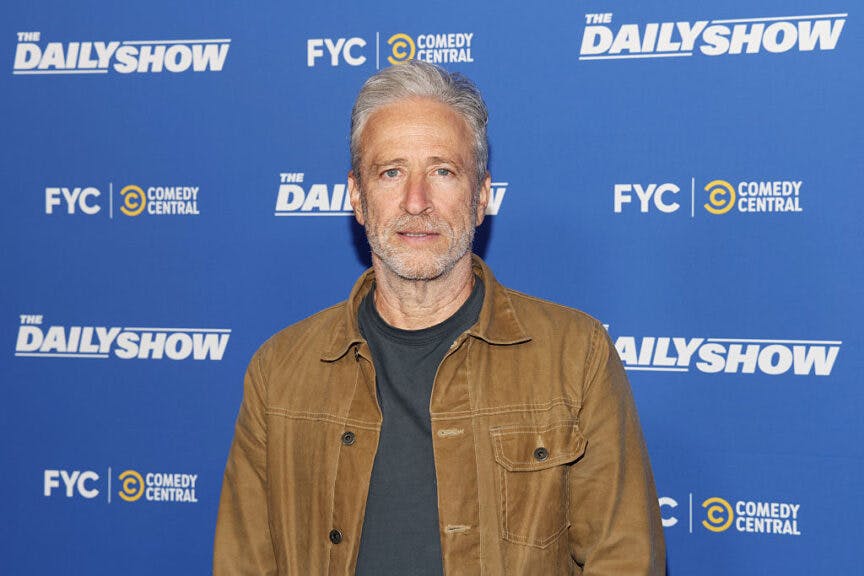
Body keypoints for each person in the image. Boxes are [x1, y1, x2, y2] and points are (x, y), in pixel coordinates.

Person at [214, 60, 665, 575]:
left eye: (443, 171)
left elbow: (626, 559)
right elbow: (243, 562)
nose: (416, 201)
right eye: (391, 172)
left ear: (481, 198)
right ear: (357, 198)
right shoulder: (280, 371)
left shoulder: (574, 355)